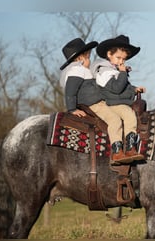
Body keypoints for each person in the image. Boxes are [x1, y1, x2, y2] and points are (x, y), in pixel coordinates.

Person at [90, 35, 145, 164]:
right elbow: (116, 89)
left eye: (124, 59)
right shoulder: (104, 71)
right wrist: (123, 73)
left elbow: (124, 87)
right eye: (118, 57)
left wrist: (134, 89)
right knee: (125, 117)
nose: (121, 61)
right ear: (109, 54)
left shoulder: (115, 70)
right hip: (112, 103)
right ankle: (119, 151)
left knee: (131, 115)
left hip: (117, 101)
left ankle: (129, 147)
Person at [59, 38, 101, 117]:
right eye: (87, 55)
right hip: (89, 103)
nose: (89, 57)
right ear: (81, 57)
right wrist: (72, 109)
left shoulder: (83, 70)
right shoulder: (77, 70)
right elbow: (70, 91)